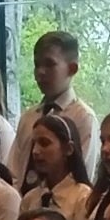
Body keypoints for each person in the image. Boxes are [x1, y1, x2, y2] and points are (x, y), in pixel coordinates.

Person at [12, 28, 101, 182]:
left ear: (72, 69)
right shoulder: (28, 118)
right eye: (37, 65)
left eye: (50, 64)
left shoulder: (83, 117)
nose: (40, 72)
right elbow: (13, 172)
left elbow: (81, 177)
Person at [18, 119, 97, 220]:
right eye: (34, 144)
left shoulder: (82, 196)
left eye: (44, 143)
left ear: (68, 149)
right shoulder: (31, 198)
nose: (35, 151)